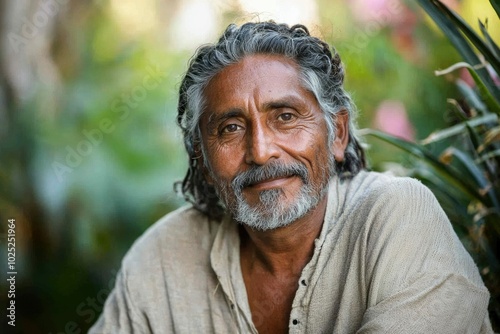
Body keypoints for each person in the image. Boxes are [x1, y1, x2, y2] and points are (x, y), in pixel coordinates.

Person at [89, 21, 493, 333]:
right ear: (202, 157)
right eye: (230, 128)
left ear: (338, 133)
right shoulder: (161, 257)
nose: (261, 151)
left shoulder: (398, 217)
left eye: (285, 117)